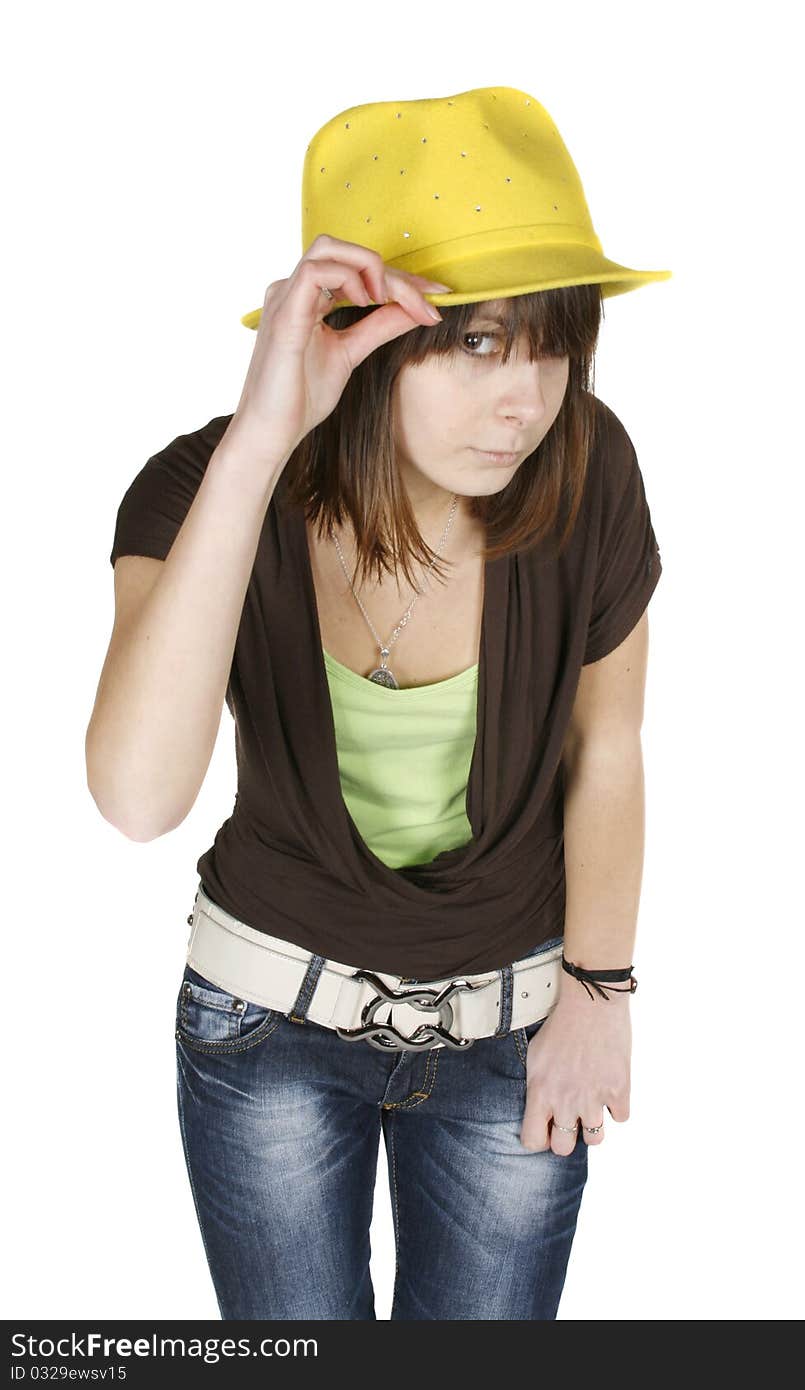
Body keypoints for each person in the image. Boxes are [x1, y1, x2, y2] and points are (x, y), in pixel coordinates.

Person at [86, 85, 671, 1320]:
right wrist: (260, 440)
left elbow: (605, 748)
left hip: (514, 1032)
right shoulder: (198, 486)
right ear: (359, 332)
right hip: (264, 1028)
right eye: (475, 341)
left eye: (553, 339)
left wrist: (601, 995)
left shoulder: (585, 468)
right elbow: (138, 798)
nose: (526, 396)